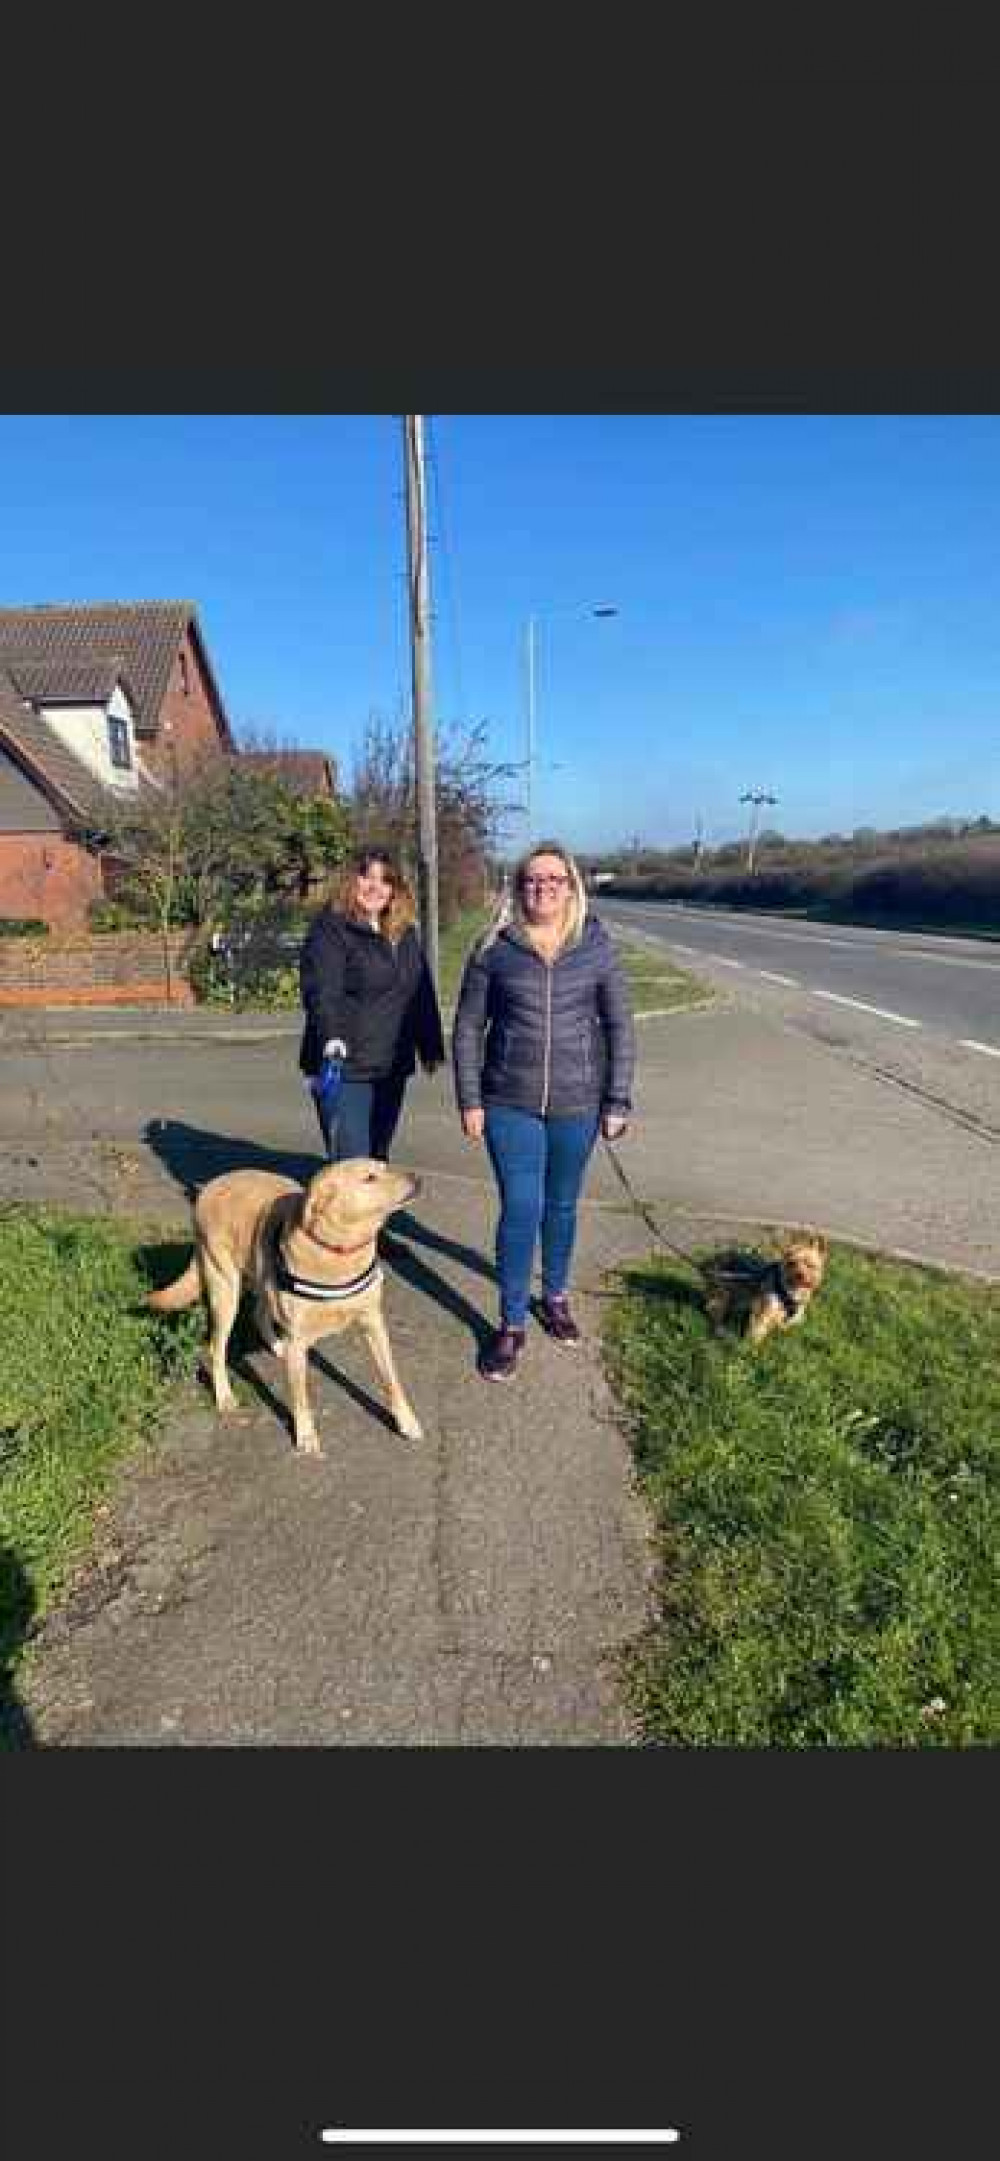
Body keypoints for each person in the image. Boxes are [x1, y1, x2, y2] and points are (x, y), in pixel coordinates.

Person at [452, 839, 635, 1380]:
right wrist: (469, 1099)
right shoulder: (494, 948)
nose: (544, 888)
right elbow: (467, 1027)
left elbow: (620, 1025)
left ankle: (554, 1297)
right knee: (521, 1208)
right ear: (518, 886)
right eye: (534, 879)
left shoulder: (595, 945)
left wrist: (617, 1098)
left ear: (571, 887)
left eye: (555, 880)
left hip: (579, 1101)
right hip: (509, 1100)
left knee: (561, 1207)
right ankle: (510, 1324)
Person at [299, 848, 445, 1162]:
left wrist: (430, 1044)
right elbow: (322, 990)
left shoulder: (403, 933)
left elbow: (420, 992)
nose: (375, 887)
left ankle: (373, 1214)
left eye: (385, 880)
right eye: (366, 876)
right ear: (351, 880)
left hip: (391, 1066)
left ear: (395, 889)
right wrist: (331, 1036)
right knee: (352, 1165)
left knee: (377, 1162)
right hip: (344, 1066)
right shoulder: (331, 929)